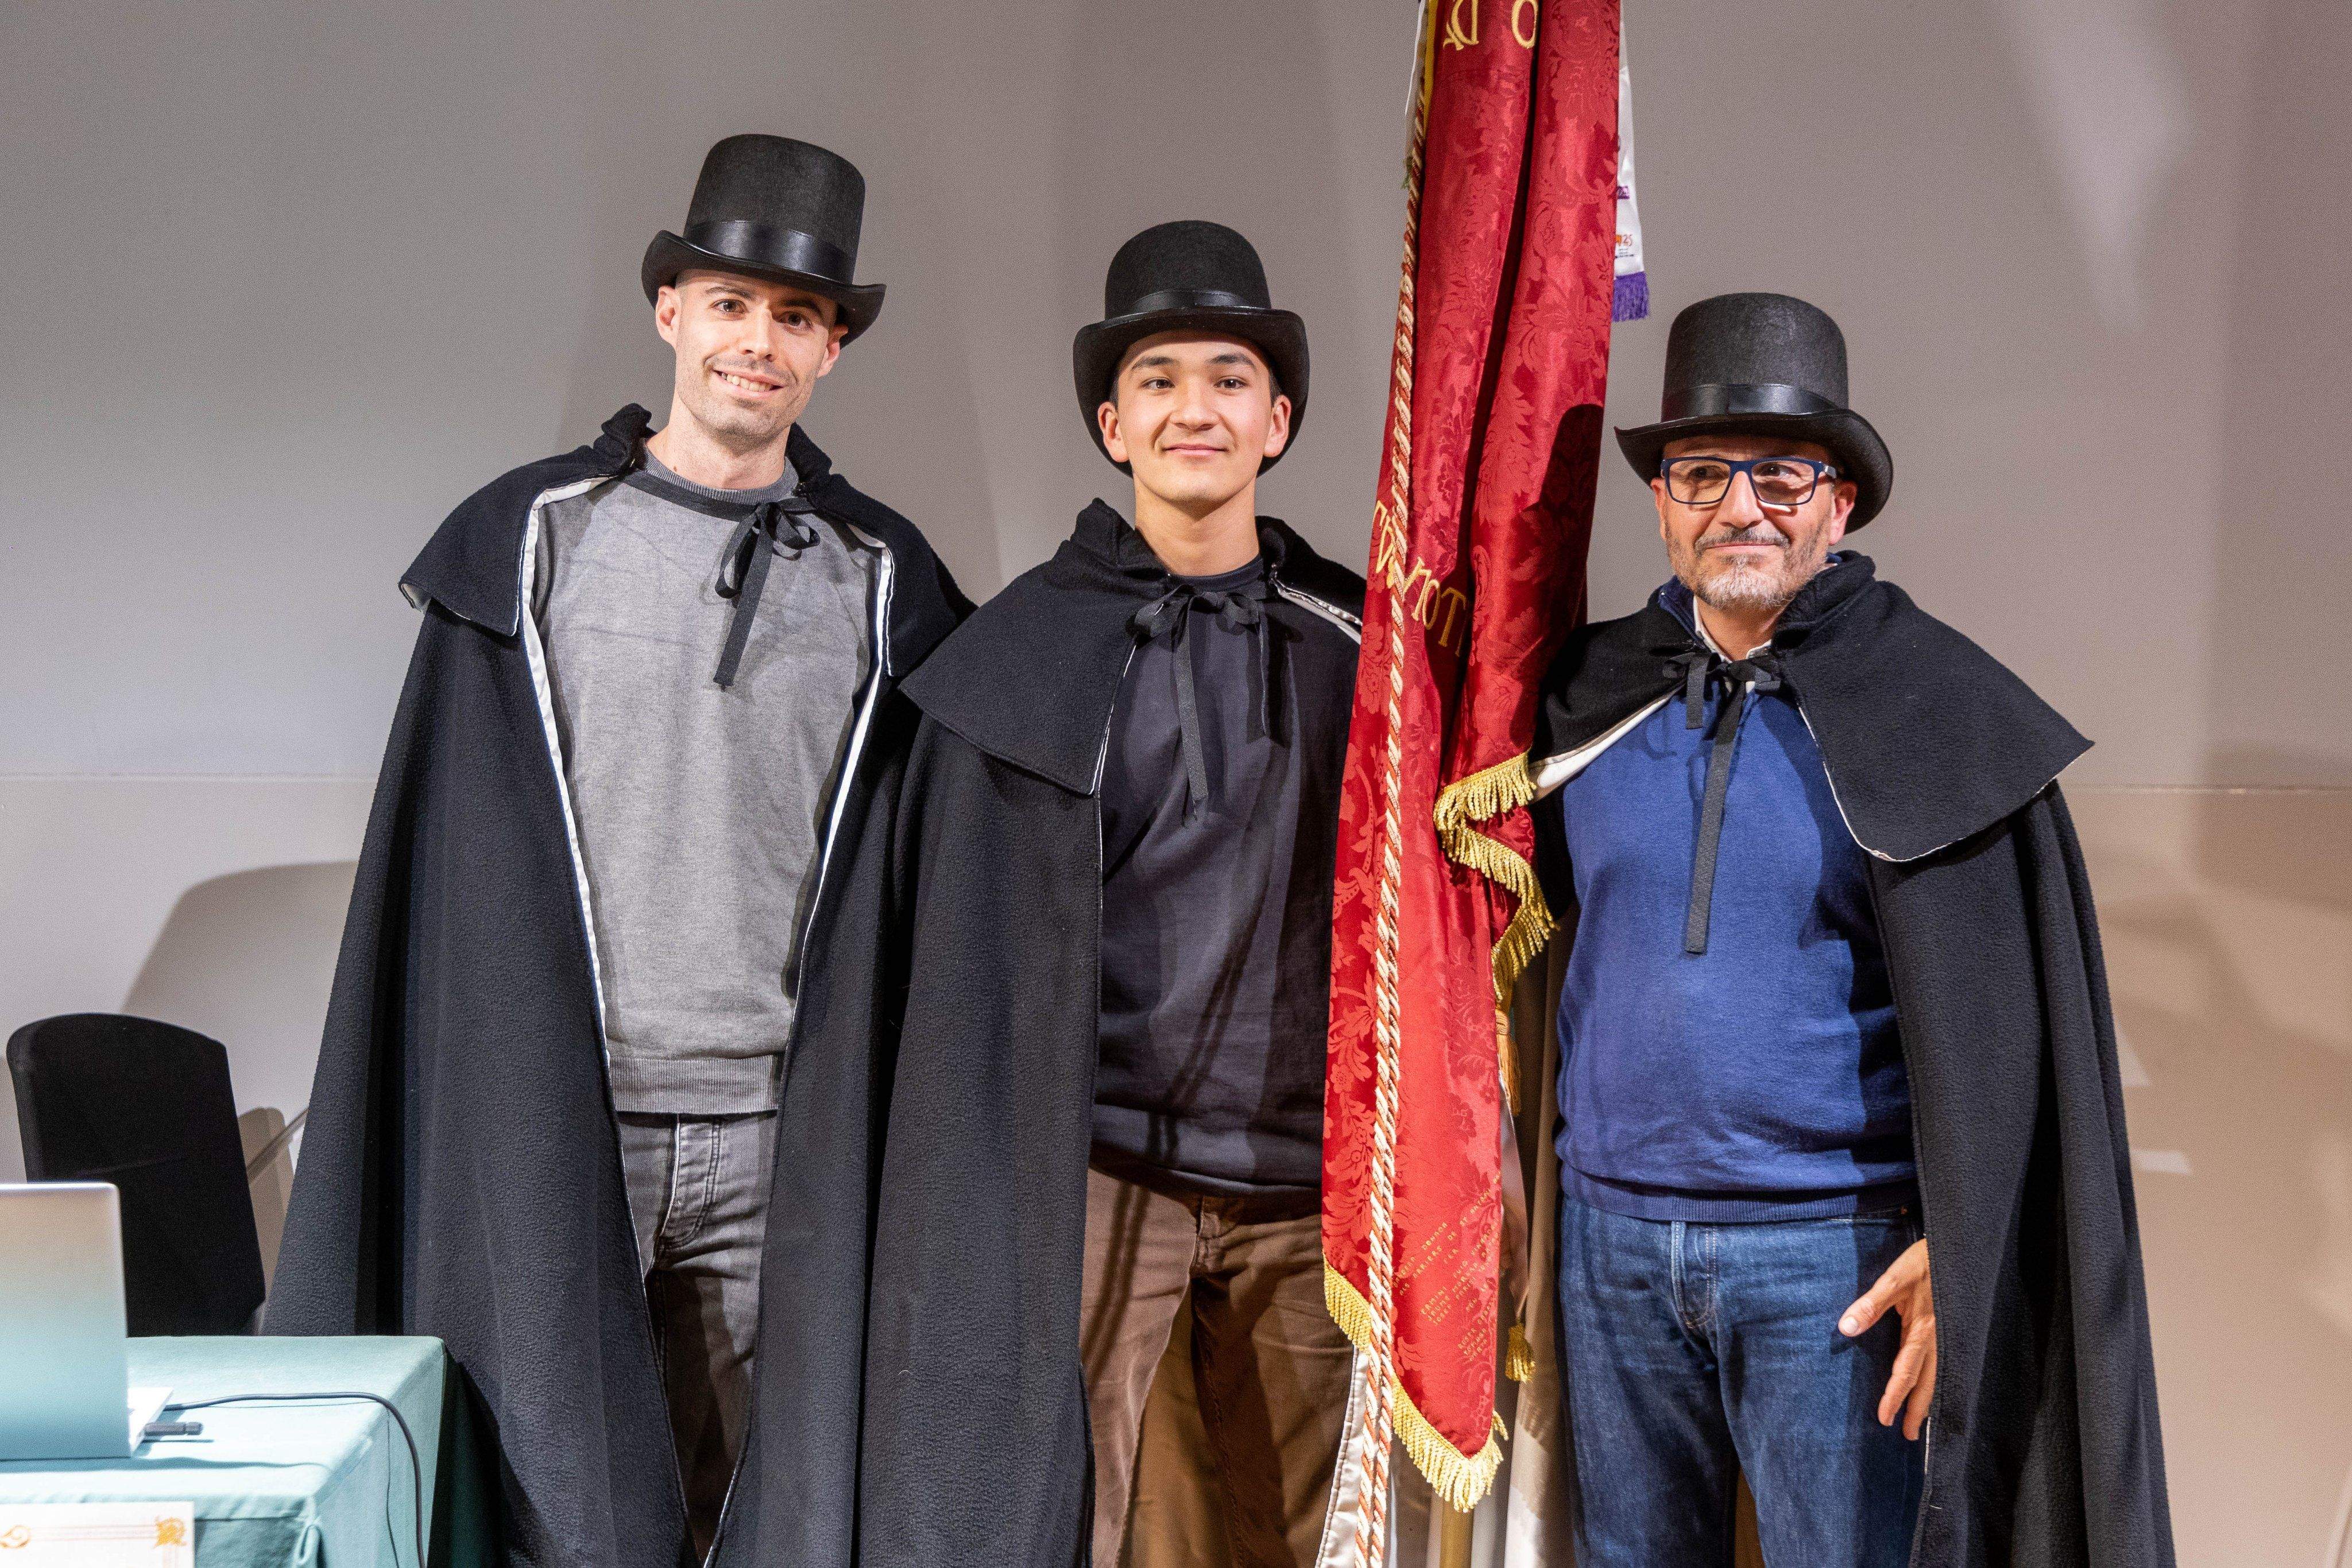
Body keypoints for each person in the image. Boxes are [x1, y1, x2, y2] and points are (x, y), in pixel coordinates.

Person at [268, 134, 968, 1566]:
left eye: (793, 318)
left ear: (830, 348)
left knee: (749, 1513)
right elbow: (450, 867)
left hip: (780, 1135)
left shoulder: (883, 578)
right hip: (560, 1115)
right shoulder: (529, 542)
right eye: (729, 303)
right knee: (553, 1518)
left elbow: (927, 880)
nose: (755, 342)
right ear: (669, 312)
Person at [1518, 292, 2175, 1565]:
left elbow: (1998, 1033)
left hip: (1834, 1258)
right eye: (1701, 473)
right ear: (1659, 500)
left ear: (1839, 502)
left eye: (1779, 474)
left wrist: (1960, 1239)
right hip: (1607, 1245)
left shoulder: (1930, 707)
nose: (1739, 506)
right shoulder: (1582, 702)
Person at [749, 220, 1365, 1565]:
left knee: (1305, 1542)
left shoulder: (1361, 650)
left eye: (1225, 378)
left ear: (1276, 422)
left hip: (1304, 1186)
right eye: (1155, 380)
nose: (1191, 408)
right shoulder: (1014, 654)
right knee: (1046, 1527)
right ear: (1109, 422)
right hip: (1086, 1178)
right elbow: (952, 960)